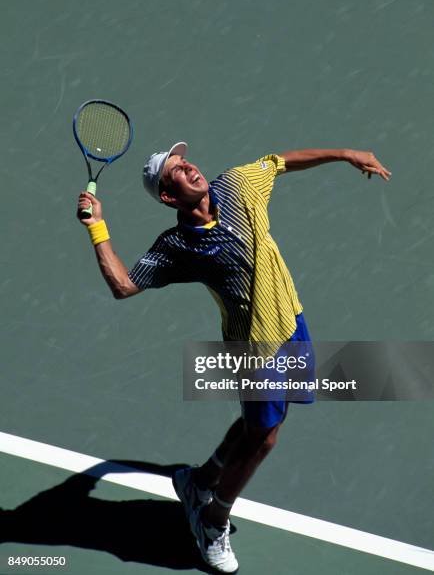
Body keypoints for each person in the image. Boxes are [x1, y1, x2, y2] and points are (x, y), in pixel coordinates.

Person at [77, 143, 391, 573]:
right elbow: (124, 284)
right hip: (253, 348)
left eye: (185, 160)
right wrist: (97, 227)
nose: (188, 166)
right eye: (176, 171)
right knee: (264, 439)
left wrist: (345, 153)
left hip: (292, 323)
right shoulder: (178, 246)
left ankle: (199, 481)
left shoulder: (240, 185)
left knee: (265, 423)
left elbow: (281, 162)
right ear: (169, 197)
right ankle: (212, 519)